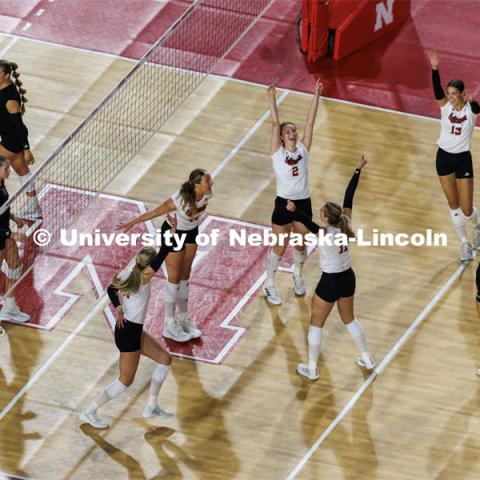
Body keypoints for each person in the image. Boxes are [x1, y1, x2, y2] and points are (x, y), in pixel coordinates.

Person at [287, 155, 375, 380]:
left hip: (330, 282)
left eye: (322, 212)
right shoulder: (346, 224)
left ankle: (312, 368)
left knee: (316, 323)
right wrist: (357, 169)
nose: (319, 213)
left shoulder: (324, 234)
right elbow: (349, 196)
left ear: (327, 218)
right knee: (350, 320)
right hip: (348, 278)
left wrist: (293, 209)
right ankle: (366, 357)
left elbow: (305, 222)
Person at [79, 247, 173, 428]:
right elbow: (164, 253)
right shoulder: (144, 279)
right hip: (129, 334)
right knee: (125, 381)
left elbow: (110, 289)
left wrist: (118, 307)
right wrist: (172, 236)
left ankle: (152, 407)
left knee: (164, 359)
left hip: (130, 330)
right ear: (150, 267)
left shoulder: (128, 272)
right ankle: (89, 410)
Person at [118, 168, 213, 342]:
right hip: (173, 233)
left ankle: (184, 320)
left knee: (185, 277)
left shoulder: (207, 193)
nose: (211, 183)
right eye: (207, 180)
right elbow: (154, 213)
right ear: (196, 185)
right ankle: (169, 325)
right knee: (174, 279)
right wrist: (131, 223)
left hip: (191, 232)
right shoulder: (178, 201)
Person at [264, 79, 323, 305]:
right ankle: (270, 284)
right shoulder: (277, 152)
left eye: (294, 130)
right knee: (281, 245)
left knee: (301, 243)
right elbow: (274, 122)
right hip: (283, 203)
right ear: (281, 136)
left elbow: (310, 122)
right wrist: (272, 99)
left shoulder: (304, 149)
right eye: (288, 131)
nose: (293, 133)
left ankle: (297, 275)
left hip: (302, 204)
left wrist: (316, 94)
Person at [430, 51, 480, 262]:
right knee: (453, 203)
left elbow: (479, 108)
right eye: (449, 93)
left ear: (462, 93)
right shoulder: (445, 108)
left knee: (467, 208)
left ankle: (477, 227)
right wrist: (434, 69)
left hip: (462, 160)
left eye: (453, 93)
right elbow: (436, 90)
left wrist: (473, 99)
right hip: (444, 158)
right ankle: (463, 243)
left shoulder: (470, 111)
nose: (450, 96)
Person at [0, 60, 41, 221]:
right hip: (11, 140)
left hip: (11, 141)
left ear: (6, 76)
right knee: (23, 172)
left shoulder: (10, 98)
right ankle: (34, 208)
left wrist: (27, 149)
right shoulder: (3, 89)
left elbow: (19, 125)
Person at [0, 155, 30, 336]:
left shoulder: (1, 183)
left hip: (3, 234)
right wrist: (12, 234)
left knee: (15, 267)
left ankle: (9, 307)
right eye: (6, 169)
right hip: (2, 235)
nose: (9, 171)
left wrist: (12, 217)